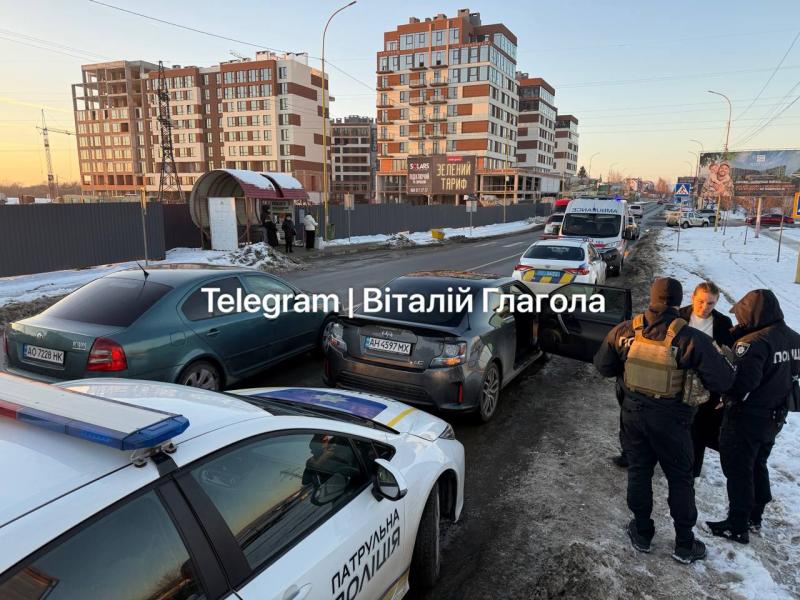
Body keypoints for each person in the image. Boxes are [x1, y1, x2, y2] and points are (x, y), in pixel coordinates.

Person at [593, 277, 735, 564]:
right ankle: (684, 543)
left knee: (639, 471)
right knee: (681, 479)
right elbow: (723, 379)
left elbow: (603, 367)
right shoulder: (692, 339)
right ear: (677, 301)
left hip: (633, 416)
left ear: (652, 297)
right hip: (673, 421)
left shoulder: (625, 330)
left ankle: (642, 532)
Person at [707, 289, 800, 544]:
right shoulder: (793, 338)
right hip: (774, 417)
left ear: (754, 314)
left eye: (743, 316)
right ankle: (755, 515)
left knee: (738, 470)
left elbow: (743, 383)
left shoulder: (753, 343)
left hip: (747, 417)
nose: (740, 321)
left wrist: (726, 395)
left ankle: (737, 525)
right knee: (758, 463)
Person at [678, 281, 734, 478]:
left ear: (717, 302)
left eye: (710, 303)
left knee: (699, 430)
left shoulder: (723, 323)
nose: (704, 307)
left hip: (707, 388)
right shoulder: (679, 317)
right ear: (692, 297)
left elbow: (728, 360)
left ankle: (692, 471)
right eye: (700, 301)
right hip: (678, 382)